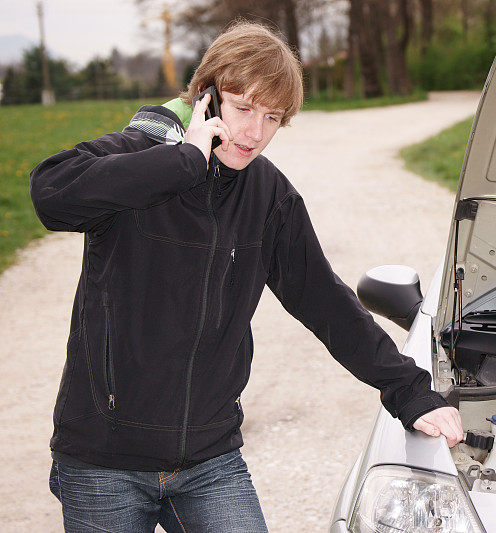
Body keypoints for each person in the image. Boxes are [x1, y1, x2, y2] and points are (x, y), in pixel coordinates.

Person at [30, 21, 463, 532]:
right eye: (242, 108)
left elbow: (325, 301)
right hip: (104, 459)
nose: (255, 133)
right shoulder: (133, 159)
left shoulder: (269, 197)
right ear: (206, 98)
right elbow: (49, 195)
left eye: (273, 117)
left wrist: (409, 391)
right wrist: (183, 162)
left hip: (207, 459)